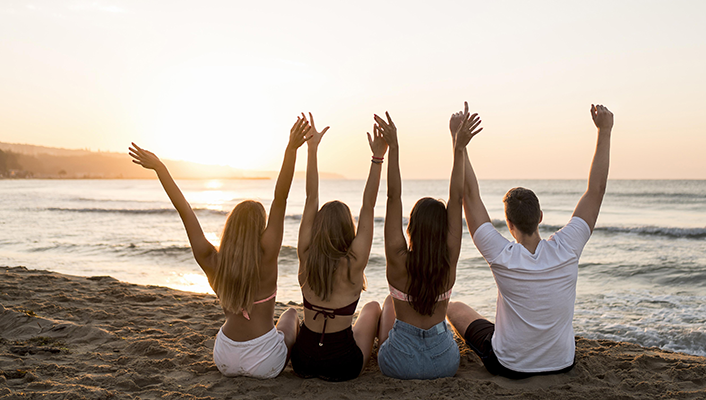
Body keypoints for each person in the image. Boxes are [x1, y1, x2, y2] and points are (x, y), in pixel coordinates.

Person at [127, 116, 312, 379]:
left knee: (279, 325)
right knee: (291, 315)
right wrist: (291, 149)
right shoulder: (266, 255)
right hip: (264, 363)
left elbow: (184, 209)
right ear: (259, 229)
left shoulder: (211, 261)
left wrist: (161, 169)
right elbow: (280, 197)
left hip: (224, 358)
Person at [446, 104, 614, 379]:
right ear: (540, 217)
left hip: (509, 366)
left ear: (508, 225)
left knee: (455, 309)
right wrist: (604, 131)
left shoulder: (501, 254)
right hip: (562, 362)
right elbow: (596, 190)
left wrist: (458, 143)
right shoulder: (568, 247)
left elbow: (470, 195)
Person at [373, 107, 481, 379]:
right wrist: (458, 148)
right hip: (444, 360)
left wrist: (393, 148)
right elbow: (456, 199)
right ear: (443, 229)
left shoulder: (398, 258)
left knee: (389, 303)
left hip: (399, 361)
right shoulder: (449, 257)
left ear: (412, 227)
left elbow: (392, 197)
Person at [291, 113, 387, 381]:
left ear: (318, 227)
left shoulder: (306, 256)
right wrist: (377, 158)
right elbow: (368, 206)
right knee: (372, 309)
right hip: (343, 365)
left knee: (293, 318)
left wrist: (311, 149)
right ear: (349, 229)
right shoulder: (353, 263)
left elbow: (311, 198)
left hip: (302, 361)